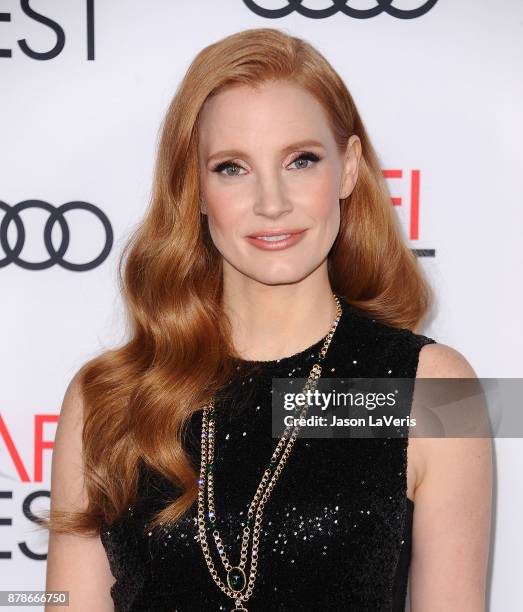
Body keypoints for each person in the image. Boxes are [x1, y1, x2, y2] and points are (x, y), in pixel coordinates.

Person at [43, 28, 492, 611]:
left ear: (349, 168)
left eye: (301, 160)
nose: (272, 201)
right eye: (232, 168)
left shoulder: (436, 391)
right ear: (195, 187)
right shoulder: (109, 398)